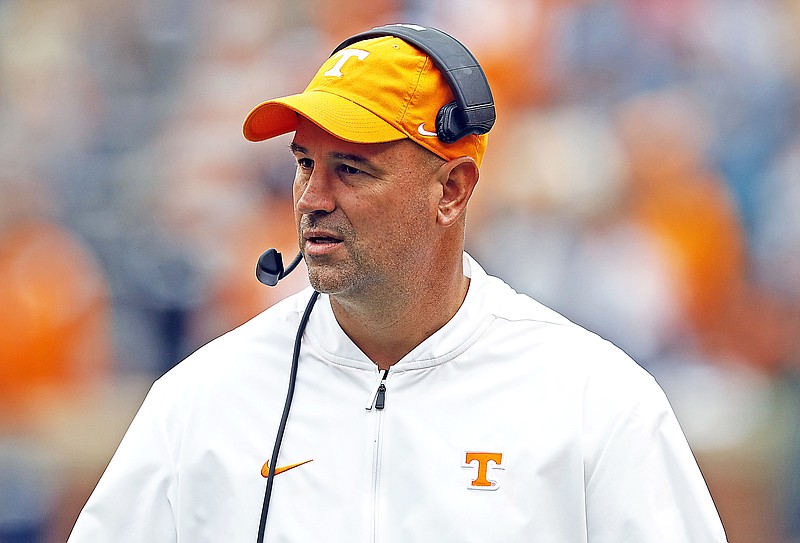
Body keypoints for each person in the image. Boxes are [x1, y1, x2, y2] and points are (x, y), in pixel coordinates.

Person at [68, 24, 728, 542]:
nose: (311, 198)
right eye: (304, 163)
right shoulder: (199, 402)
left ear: (453, 188)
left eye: (352, 169)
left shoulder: (594, 401)